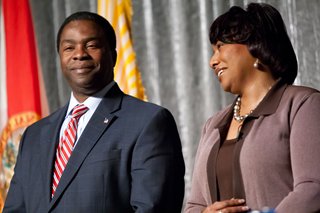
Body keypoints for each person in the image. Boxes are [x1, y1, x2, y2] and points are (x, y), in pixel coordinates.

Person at [3, 11, 185, 212]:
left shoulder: (148, 122)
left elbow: (153, 208)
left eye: (91, 45)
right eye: (69, 48)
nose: (79, 54)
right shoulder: (34, 135)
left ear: (113, 56)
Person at [185, 3, 320, 213]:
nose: (212, 61)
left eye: (220, 46)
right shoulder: (212, 125)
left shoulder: (303, 104)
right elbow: (194, 205)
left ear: (254, 45)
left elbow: (313, 188)